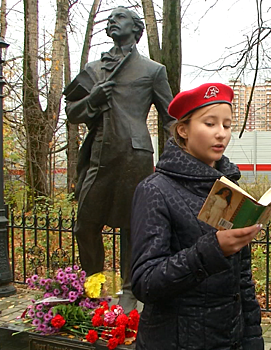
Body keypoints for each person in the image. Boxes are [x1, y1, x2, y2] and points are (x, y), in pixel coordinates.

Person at [131, 83, 264, 349]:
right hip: (176, 340)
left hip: (230, 339)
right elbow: (145, 282)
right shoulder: (155, 190)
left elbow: (243, 284)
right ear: (183, 130)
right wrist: (211, 250)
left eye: (227, 125)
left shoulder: (229, 189)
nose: (221, 134)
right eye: (210, 123)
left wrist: (252, 340)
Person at [64, 6, 173, 313]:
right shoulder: (94, 68)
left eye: (120, 17)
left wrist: (177, 160)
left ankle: (129, 289)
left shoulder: (153, 70)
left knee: (132, 226)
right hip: (98, 155)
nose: (112, 20)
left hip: (134, 155)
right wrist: (93, 98)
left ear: (137, 29)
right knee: (85, 225)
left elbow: (171, 117)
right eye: (111, 17)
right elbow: (72, 112)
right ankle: (93, 288)